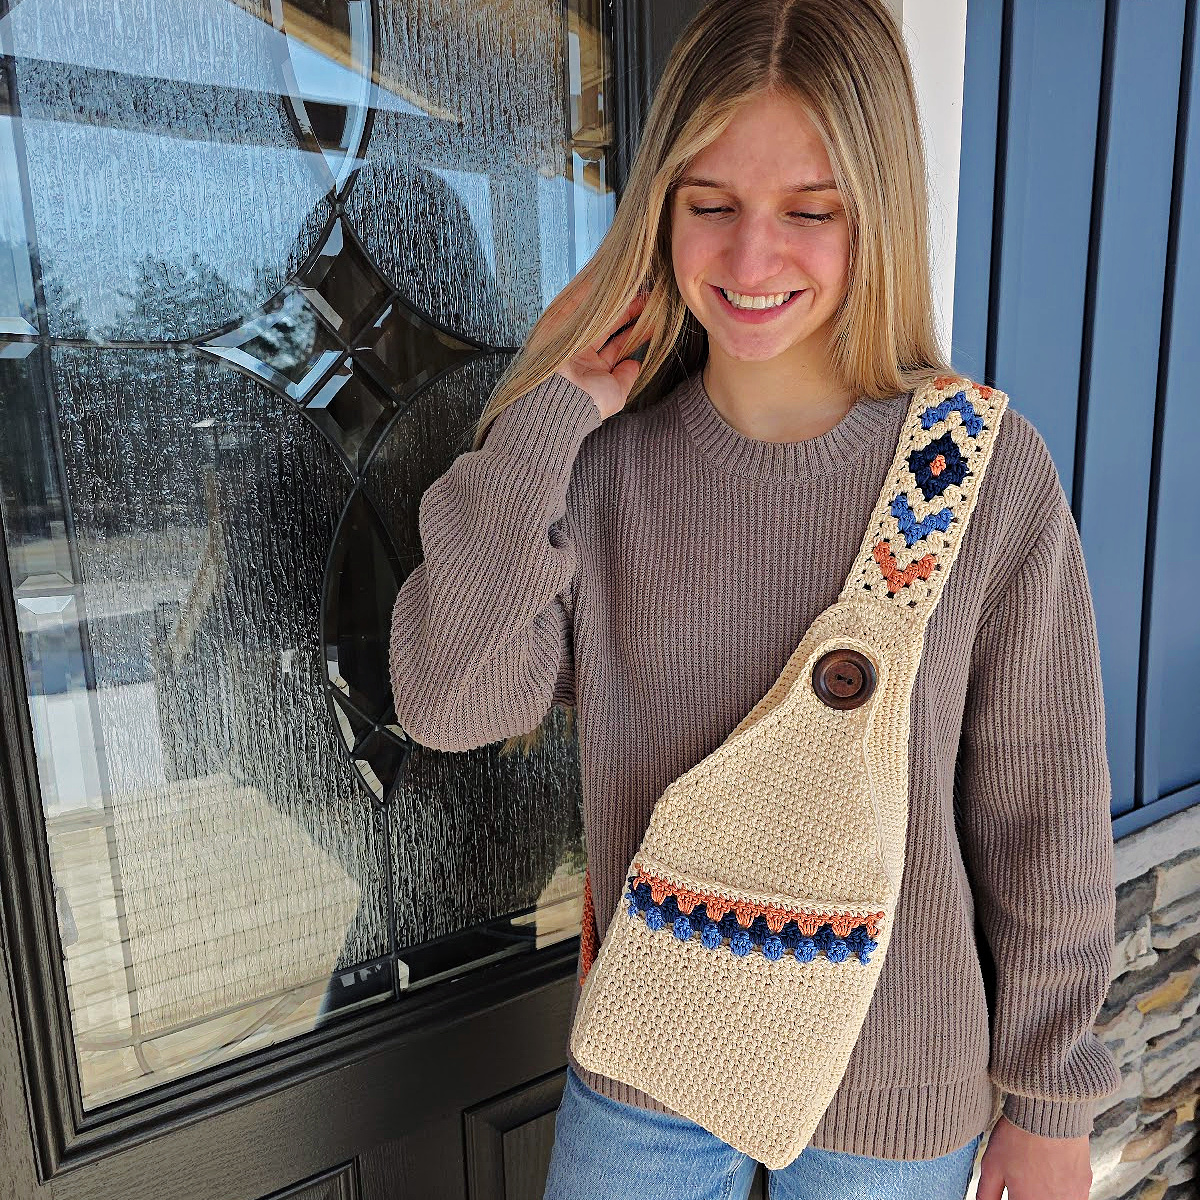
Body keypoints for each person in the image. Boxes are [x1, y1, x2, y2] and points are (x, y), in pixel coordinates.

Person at [387, 1, 1122, 1197]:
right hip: (651, 1073)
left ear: (876, 209)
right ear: (660, 211)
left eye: (810, 213)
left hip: (896, 1093)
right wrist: (546, 417)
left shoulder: (981, 476)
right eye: (710, 205)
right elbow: (448, 695)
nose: (749, 259)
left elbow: (1042, 807)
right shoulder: (608, 472)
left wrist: (1050, 1100)